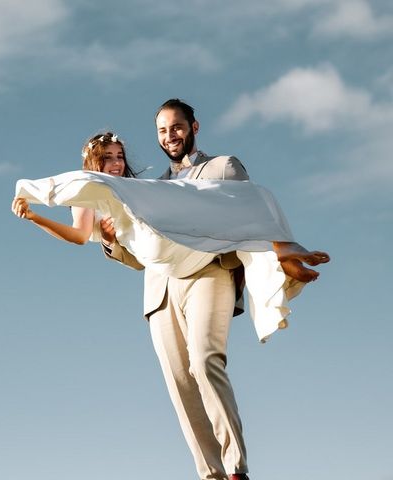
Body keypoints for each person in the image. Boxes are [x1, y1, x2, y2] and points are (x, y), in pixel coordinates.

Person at [98, 99, 329, 480]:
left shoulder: (222, 167)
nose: (170, 135)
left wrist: (278, 249)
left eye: (176, 127)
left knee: (205, 362)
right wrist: (112, 243)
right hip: (161, 291)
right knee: (181, 385)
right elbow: (141, 256)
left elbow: (250, 210)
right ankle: (211, 475)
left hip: (211, 274)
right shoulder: (151, 189)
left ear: (194, 127)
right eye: (162, 130)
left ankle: (235, 469)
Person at [11, 132, 137, 243]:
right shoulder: (86, 191)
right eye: (107, 157)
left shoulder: (132, 189)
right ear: (94, 162)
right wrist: (33, 217)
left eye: (120, 156)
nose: (116, 162)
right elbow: (80, 236)